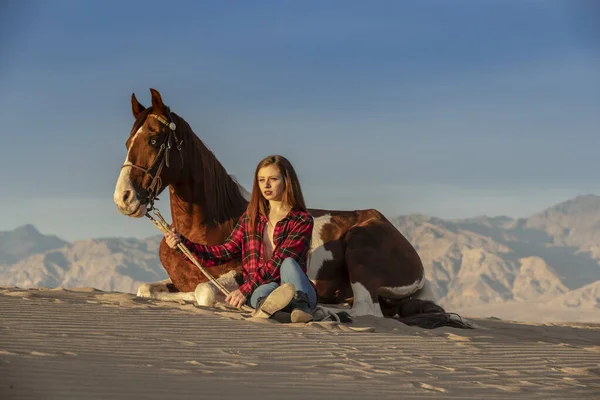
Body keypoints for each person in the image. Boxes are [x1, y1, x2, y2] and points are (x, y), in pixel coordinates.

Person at [164, 155, 317, 323]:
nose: (266, 185)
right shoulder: (250, 218)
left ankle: (299, 307)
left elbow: (279, 261)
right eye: (261, 180)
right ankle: (283, 313)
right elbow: (224, 251)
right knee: (265, 290)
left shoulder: (302, 220)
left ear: (287, 181)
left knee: (288, 263)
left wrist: (245, 289)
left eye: (273, 179)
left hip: (297, 287)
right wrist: (183, 245)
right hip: (263, 288)